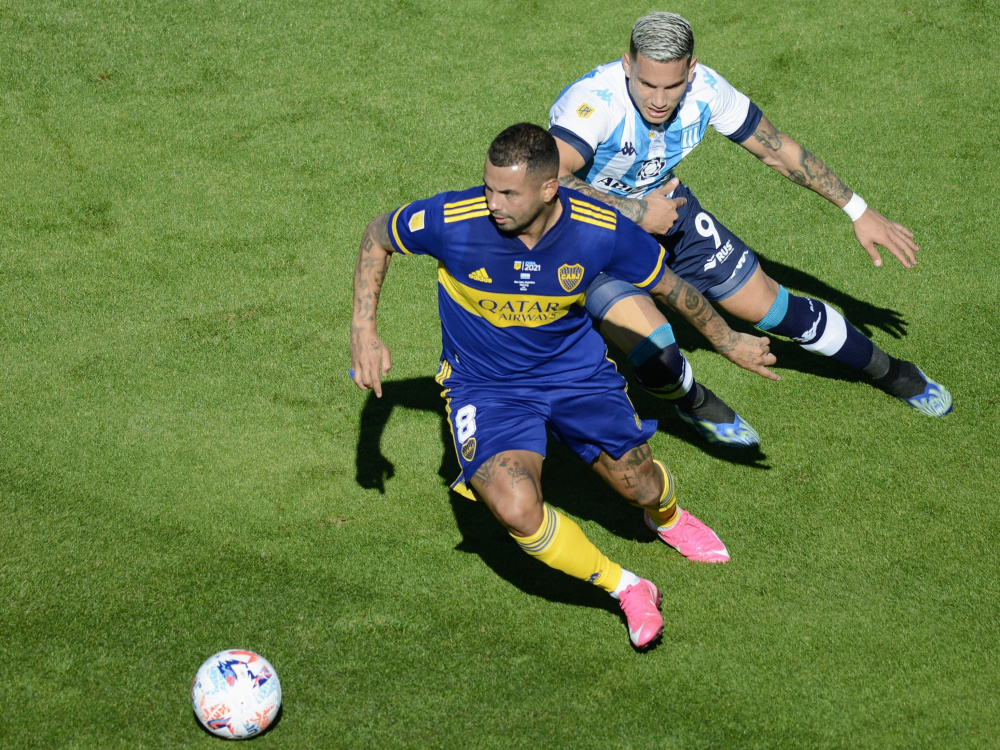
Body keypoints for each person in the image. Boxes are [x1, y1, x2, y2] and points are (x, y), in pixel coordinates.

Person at [351, 123, 776, 649]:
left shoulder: (601, 230)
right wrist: (363, 331)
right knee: (513, 505)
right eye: (488, 187)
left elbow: (669, 286)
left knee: (640, 485)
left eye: (508, 193)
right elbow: (378, 234)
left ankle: (666, 516)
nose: (492, 202)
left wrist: (728, 340)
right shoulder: (452, 220)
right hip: (486, 388)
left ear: (549, 188)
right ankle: (629, 587)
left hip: (574, 375)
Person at [548, 11, 953, 447]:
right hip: (588, 236)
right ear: (627, 65)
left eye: (672, 85)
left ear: (692, 69)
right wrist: (636, 212)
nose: (660, 100)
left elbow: (777, 150)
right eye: (647, 84)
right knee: (657, 351)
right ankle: (696, 402)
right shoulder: (593, 104)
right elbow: (551, 181)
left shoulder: (707, 91)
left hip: (671, 213)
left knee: (775, 309)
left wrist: (858, 209)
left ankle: (892, 372)